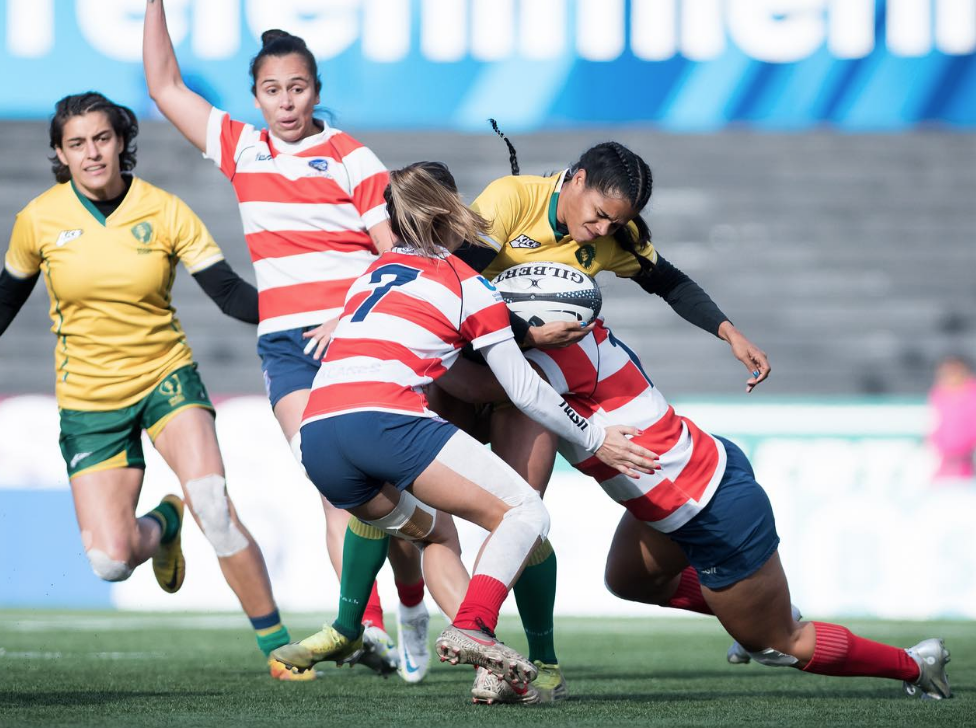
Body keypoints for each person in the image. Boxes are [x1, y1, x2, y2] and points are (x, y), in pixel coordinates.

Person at [0, 92, 306, 680]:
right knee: (110, 561)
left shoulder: (166, 209)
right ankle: (164, 525)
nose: (92, 152)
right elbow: (4, 298)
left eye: (101, 138)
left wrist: (297, 309)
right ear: (60, 153)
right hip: (89, 400)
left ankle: (279, 649)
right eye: (77, 143)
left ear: (122, 141)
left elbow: (227, 292)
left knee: (214, 505)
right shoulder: (40, 218)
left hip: (165, 377)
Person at [268, 161, 660, 691]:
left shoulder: (373, 275)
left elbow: (463, 380)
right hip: (386, 422)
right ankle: (476, 627)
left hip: (316, 437)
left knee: (434, 534)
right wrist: (593, 436)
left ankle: (354, 628)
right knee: (525, 511)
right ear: (454, 212)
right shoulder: (466, 282)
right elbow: (522, 389)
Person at [142, 0, 428, 679]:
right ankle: (369, 628)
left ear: (316, 92)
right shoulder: (243, 148)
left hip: (361, 344)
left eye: (297, 87)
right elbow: (164, 86)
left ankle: (413, 602)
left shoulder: (351, 156)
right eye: (272, 90)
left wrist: (351, 315)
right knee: (337, 487)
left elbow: (395, 258)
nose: (286, 101)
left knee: (389, 496)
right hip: (288, 349)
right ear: (256, 97)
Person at [436, 135, 771, 701]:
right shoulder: (510, 199)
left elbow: (670, 282)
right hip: (464, 365)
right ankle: (366, 624)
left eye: (617, 224)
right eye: (598, 217)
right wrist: (526, 333)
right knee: (407, 506)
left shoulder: (620, 235)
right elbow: (453, 291)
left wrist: (729, 332)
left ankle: (530, 659)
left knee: (522, 513)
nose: (603, 232)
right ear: (576, 179)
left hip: (528, 390)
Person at [470, 314, 952, 703]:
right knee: (629, 579)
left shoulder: (551, 361)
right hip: (690, 485)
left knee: (780, 642)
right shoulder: (581, 334)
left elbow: (475, 386)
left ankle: (915, 663)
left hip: (710, 509)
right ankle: (757, 611)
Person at [928, 355, 976, 486]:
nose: (949, 377)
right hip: (945, 462)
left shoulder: (972, 394)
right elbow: (935, 424)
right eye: (945, 374)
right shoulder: (938, 395)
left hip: (968, 461)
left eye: (954, 372)